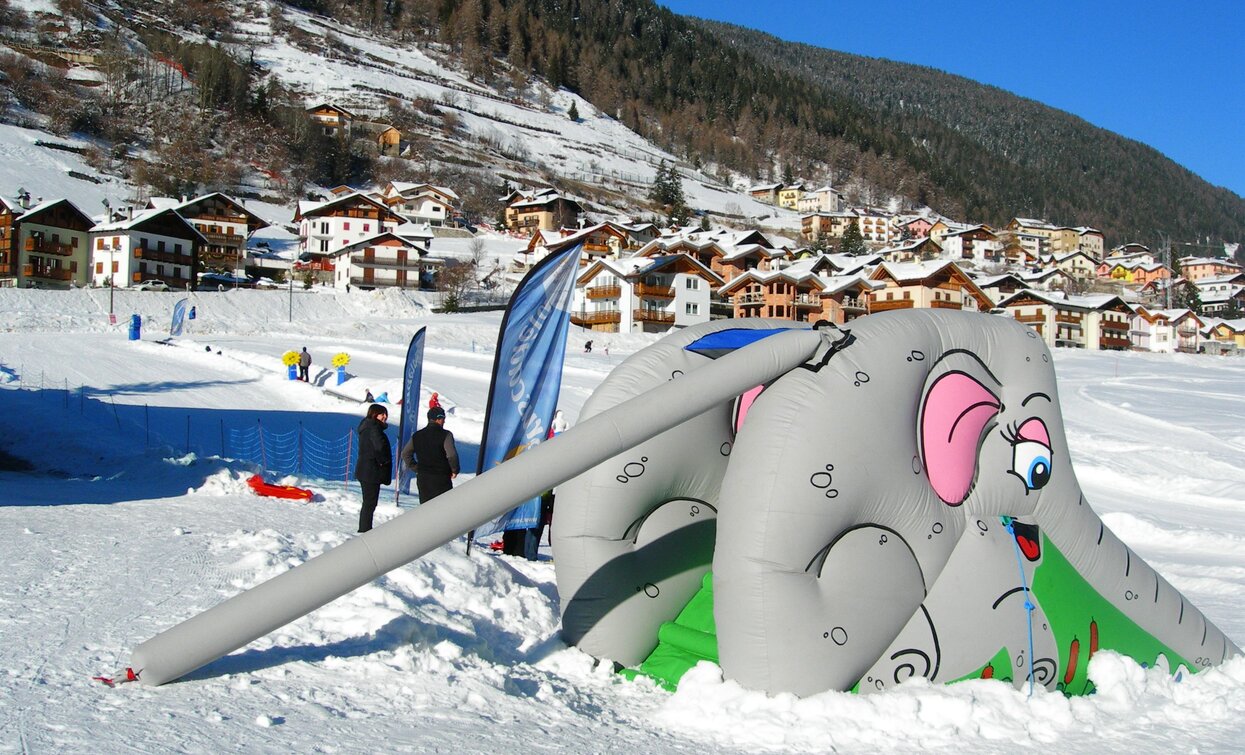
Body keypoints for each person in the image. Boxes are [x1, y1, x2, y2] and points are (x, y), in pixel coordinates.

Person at [401, 406, 459, 503]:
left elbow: (405, 453)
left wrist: (415, 467)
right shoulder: (446, 435)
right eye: (443, 419)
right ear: (438, 419)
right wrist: (454, 469)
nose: (444, 421)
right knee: (443, 508)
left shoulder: (417, 435)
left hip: (423, 477)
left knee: (425, 509)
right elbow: (451, 455)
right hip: (441, 477)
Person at [354, 404, 393, 533]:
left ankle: (365, 529)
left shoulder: (367, 427)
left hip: (365, 469)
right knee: (370, 503)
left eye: (385, 414)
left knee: (368, 502)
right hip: (371, 471)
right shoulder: (374, 428)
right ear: (375, 414)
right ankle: (364, 530)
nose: (385, 417)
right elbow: (379, 447)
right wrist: (384, 461)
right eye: (382, 414)